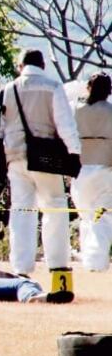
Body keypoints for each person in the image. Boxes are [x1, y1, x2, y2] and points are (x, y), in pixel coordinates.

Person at [0, 49, 81, 276]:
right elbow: (65, 125)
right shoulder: (53, 87)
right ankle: (58, 265)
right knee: (55, 207)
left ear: (20, 66)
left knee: (21, 211)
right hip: (47, 159)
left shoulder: (6, 90)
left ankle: (21, 269)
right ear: (42, 66)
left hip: (16, 159)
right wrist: (74, 154)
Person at [71, 72, 112, 271]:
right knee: (101, 216)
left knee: (87, 216)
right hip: (106, 170)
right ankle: (96, 260)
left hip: (81, 170)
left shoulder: (76, 110)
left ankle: (89, 257)